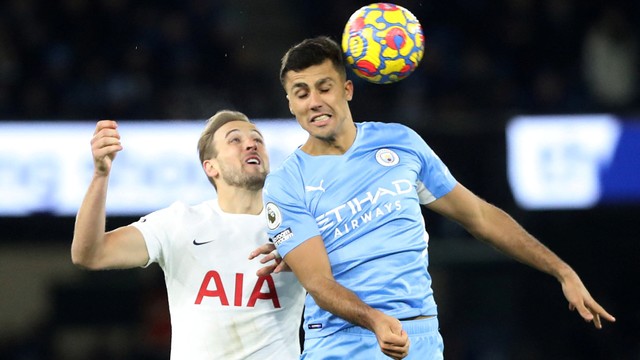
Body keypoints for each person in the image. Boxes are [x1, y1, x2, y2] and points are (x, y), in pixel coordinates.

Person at [261, 36, 616, 359]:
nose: (315, 102)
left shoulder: (401, 143)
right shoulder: (286, 183)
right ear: (290, 103)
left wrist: (561, 271)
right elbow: (318, 283)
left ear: (348, 89)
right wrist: (374, 320)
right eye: (302, 92)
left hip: (419, 337)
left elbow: (479, 216)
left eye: (325, 88)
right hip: (341, 342)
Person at [71, 110, 306, 359]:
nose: (251, 144)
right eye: (235, 140)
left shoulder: (298, 228)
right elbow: (90, 254)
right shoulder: (179, 223)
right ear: (211, 167)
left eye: (257, 139)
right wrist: (100, 175)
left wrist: (306, 262)